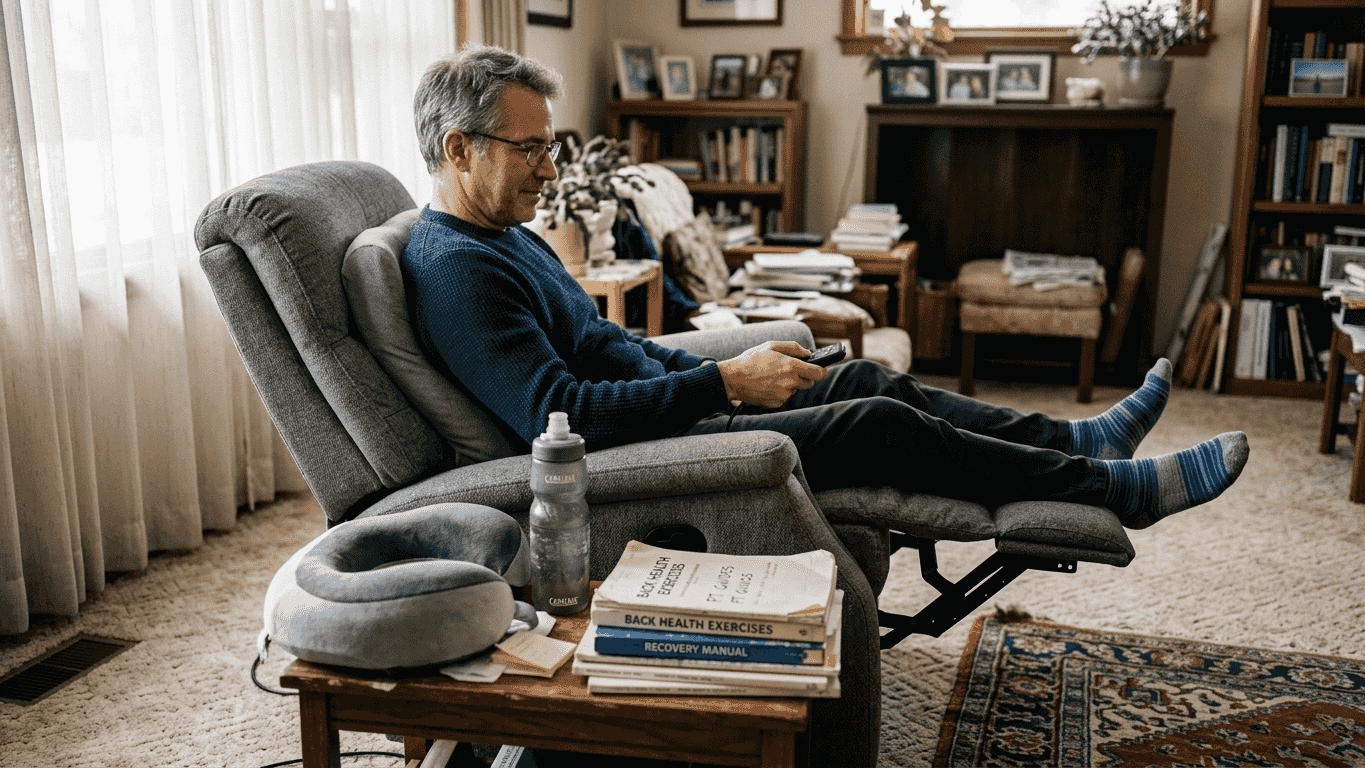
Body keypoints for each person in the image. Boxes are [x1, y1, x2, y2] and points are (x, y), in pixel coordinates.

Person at [402, 44, 1249, 532]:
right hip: (630, 459)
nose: (550, 171)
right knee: (875, 420)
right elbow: (562, 415)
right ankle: (1118, 492)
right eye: (531, 150)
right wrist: (722, 382)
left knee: (860, 377)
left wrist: (724, 366)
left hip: (668, 409)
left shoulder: (508, 237)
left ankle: (1079, 440)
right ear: (458, 149)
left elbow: (607, 347)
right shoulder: (458, 270)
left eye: (552, 147)